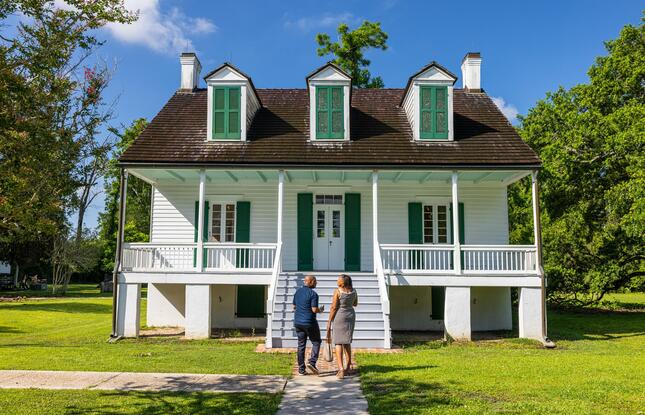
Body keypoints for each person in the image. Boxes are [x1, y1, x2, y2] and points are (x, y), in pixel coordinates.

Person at [326, 274, 358, 379]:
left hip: (340, 316)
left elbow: (334, 307)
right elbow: (355, 304)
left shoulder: (338, 291)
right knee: (347, 342)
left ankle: (341, 369)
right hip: (350, 316)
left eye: (338, 279)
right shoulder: (354, 291)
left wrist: (329, 321)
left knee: (338, 342)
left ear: (342, 282)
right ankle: (348, 367)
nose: (337, 281)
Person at [292, 274, 324, 376]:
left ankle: (301, 370)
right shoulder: (313, 294)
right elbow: (314, 309)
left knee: (301, 345)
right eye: (315, 281)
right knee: (316, 342)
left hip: (298, 323)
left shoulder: (297, 292)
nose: (316, 283)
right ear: (310, 282)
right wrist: (320, 310)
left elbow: (294, 306)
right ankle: (312, 362)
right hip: (309, 323)